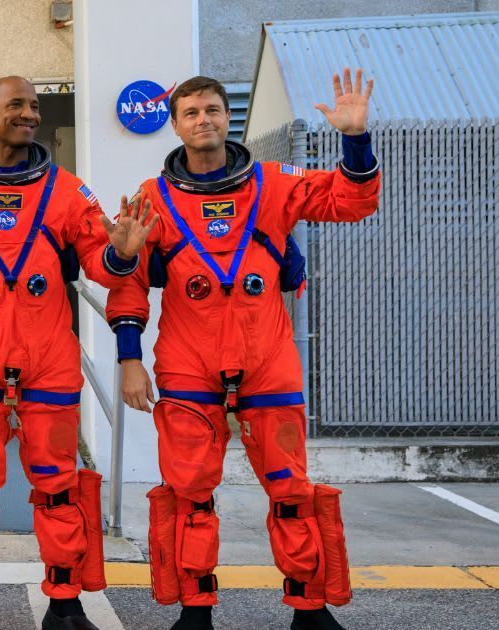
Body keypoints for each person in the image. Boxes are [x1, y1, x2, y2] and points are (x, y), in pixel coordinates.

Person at [106, 71, 379, 630]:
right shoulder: (151, 198)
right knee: (189, 493)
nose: (202, 120)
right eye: (190, 112)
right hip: (188, 362)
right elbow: (127, 283)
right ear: (175, 125)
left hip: (267, 359)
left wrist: (355, 139)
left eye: (212, 109)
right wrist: (129, 359)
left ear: (225, 116)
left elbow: (351, 201)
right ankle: (195, 610)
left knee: (291, 490)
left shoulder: (274, 183)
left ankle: (310, 609)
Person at [0, 76, 157, 630]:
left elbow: (100, 264)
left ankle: (64, 605)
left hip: (49, 361)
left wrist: (121, 256)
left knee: (59, 487)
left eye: (35, 106)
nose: (29, 114)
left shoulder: (68, 191)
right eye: (16, 105)